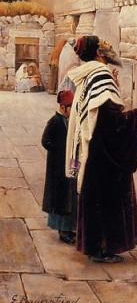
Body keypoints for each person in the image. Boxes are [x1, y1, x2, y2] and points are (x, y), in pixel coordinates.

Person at [65, 35, 137, 264]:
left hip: (95, 150)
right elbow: (111, 121)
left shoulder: (91, 73)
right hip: (103, 153)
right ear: (99, 52)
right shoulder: (101, 74)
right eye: (104, 44)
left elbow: (100, 110)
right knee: (107, 198)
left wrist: (116, 88)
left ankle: (95, 247)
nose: (109, 46)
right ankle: (101, 250)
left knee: (97, 197)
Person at [41, 90, 78, 244]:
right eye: (70, 108)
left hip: (72, 163)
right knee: (62, 199)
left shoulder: (71, 121)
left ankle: (70, 229)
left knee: (72, 196)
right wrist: (59, 151)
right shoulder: (55, 121)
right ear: (63, 107)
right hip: (59, 167)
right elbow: (45, 141)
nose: (73, 112)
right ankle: (63, 231)